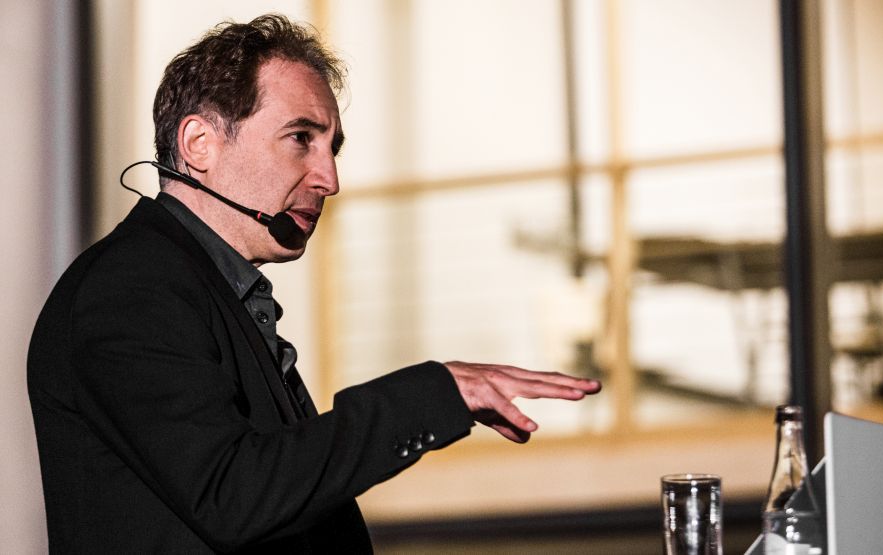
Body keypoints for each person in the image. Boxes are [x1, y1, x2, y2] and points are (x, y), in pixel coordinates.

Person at [27, 14, 600, 554]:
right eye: (301, 138)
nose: (329, 178)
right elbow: (230, 492)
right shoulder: (131, 289)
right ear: (199, 143)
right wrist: (430, 395)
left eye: (333, 148)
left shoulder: (203, 286)